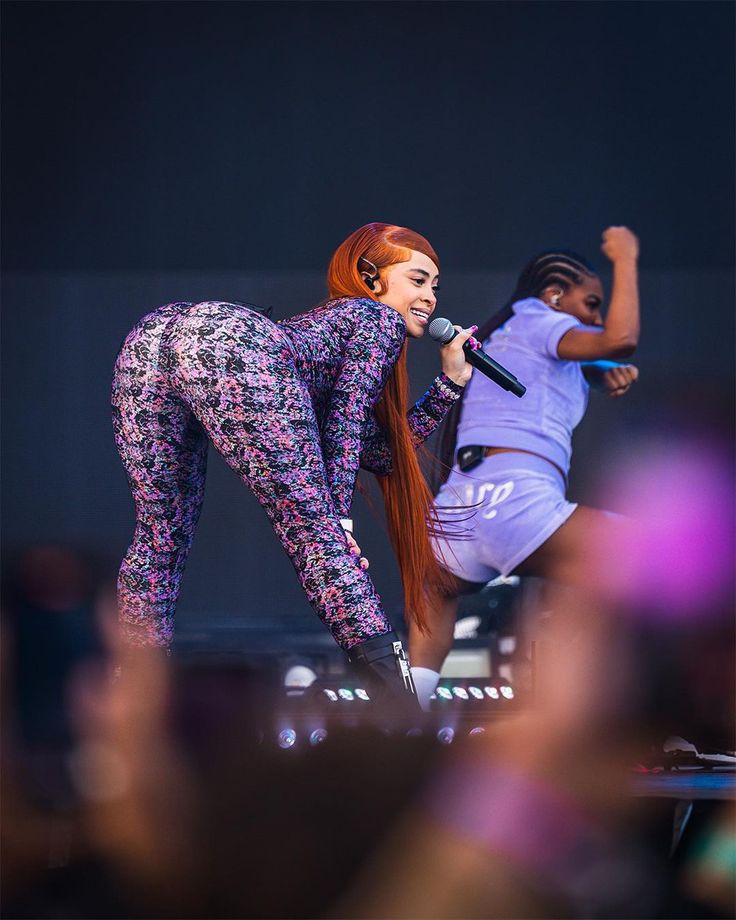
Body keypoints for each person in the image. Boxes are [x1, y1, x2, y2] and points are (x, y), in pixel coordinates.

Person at [111, 223, 475, 706]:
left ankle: (131, 689)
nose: (430, 297)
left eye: (435, 285)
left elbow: (380, 452)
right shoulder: (375, 319)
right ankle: (401, 708)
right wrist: (339, 520)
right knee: (315, 532)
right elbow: (346, 422)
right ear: (371, 279)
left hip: (151, 340)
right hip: (230, 342)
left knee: (161, 531)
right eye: (417, 280)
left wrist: (449, 382)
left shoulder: (327, 333)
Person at [409, 226, 641, 708]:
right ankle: (621, 713)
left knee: (431, 621)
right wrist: (626, 259)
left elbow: (568, 368)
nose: (596, 316)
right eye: (591, 303)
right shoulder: (538, 317)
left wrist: (599, 373)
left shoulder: (507, 332)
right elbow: (620, 339)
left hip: (456, 509)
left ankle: (403, 721)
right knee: (665, 561)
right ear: (555, 296)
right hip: (514, 500)